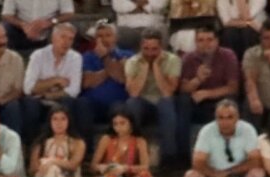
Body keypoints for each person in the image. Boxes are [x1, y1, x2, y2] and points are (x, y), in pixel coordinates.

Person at [177, 26, 243, 166]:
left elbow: (233, 87)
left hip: (220, 98)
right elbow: (183, 88)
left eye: (209, 40)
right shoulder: (189, 58)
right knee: (183, 101)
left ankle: (232, 153)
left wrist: (207, 94)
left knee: (230, 102)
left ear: (217, 41)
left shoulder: (228, 55)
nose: (205, 44)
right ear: (195, 42)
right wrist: (198, 80)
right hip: (197, 102)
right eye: (201, 40)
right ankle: (184, 157)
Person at [183, 100, 264, 177]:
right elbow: (197, 162)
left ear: (237, 117)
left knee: (258, 174)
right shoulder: (207, 131)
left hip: (240, 176)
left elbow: (255, 161)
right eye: (220, 118)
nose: (225, 122)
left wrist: (228, 174)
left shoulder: (247, 129)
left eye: (230, 117)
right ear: (215, 118)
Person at [21, 23, 89, 143]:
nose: (66, 42)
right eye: (63, 37)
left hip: (59, 100)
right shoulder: (38, 56)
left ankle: (76, 147)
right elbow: (28, 88)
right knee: (30, 104)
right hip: (39, 102)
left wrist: (45, 93)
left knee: (78, 103)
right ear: (53, 38)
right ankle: (32, 147)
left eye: (70, 39)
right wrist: (56, 80)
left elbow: (74, 90)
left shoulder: (75, 57)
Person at [123, 29, 182, 166]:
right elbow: (134, 93)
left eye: (154, 49)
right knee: (132, 103)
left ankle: (169, 158)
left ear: (161, 47)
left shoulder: (173, 60)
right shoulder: (132, 62)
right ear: (140, 47)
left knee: (166, 103)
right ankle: (132, 154)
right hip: (143, 103)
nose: (150, 53)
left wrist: (156, 66)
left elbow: (167, 92)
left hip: (163, 101)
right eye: (146, 49)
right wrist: (144, 67)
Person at [92, 109, 153, 177]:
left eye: (122, 123)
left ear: (131, 123)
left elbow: (145, 166)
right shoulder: (106, 139)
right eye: (115, 124)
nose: (118, 127)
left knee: (145, 176)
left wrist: (125, 168)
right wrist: (103, 167)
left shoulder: (139, 141)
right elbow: (93, 165)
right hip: (109, 176)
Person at [80, 22, 131, 128]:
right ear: (95, 40)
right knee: (82, 104)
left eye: (108, 35)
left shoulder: (128, 55)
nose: (104, 39)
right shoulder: (86, 56)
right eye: (100, 36)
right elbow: (86, 82)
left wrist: (105, 59)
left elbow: (122, 79)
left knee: (119, 109)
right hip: (92, 104)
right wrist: (113, 67)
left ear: (116, 38)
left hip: (118, 103)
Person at [1, 0, 74, 52]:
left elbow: (68, 13)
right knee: (4, 30)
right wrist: (23, 25)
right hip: (21, 28)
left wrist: (50, 22)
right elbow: (7, 14)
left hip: (50, 27)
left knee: (68, 30)